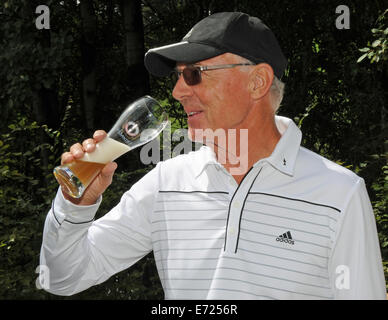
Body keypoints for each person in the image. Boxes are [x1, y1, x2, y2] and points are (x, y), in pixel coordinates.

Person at [39, 12, 386, 299]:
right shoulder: (167, 183)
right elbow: (61, 279)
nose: (177, 92)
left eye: (194, 74)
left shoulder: (339, 194)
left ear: (257, 82)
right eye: (177, 77)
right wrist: (75, 204)